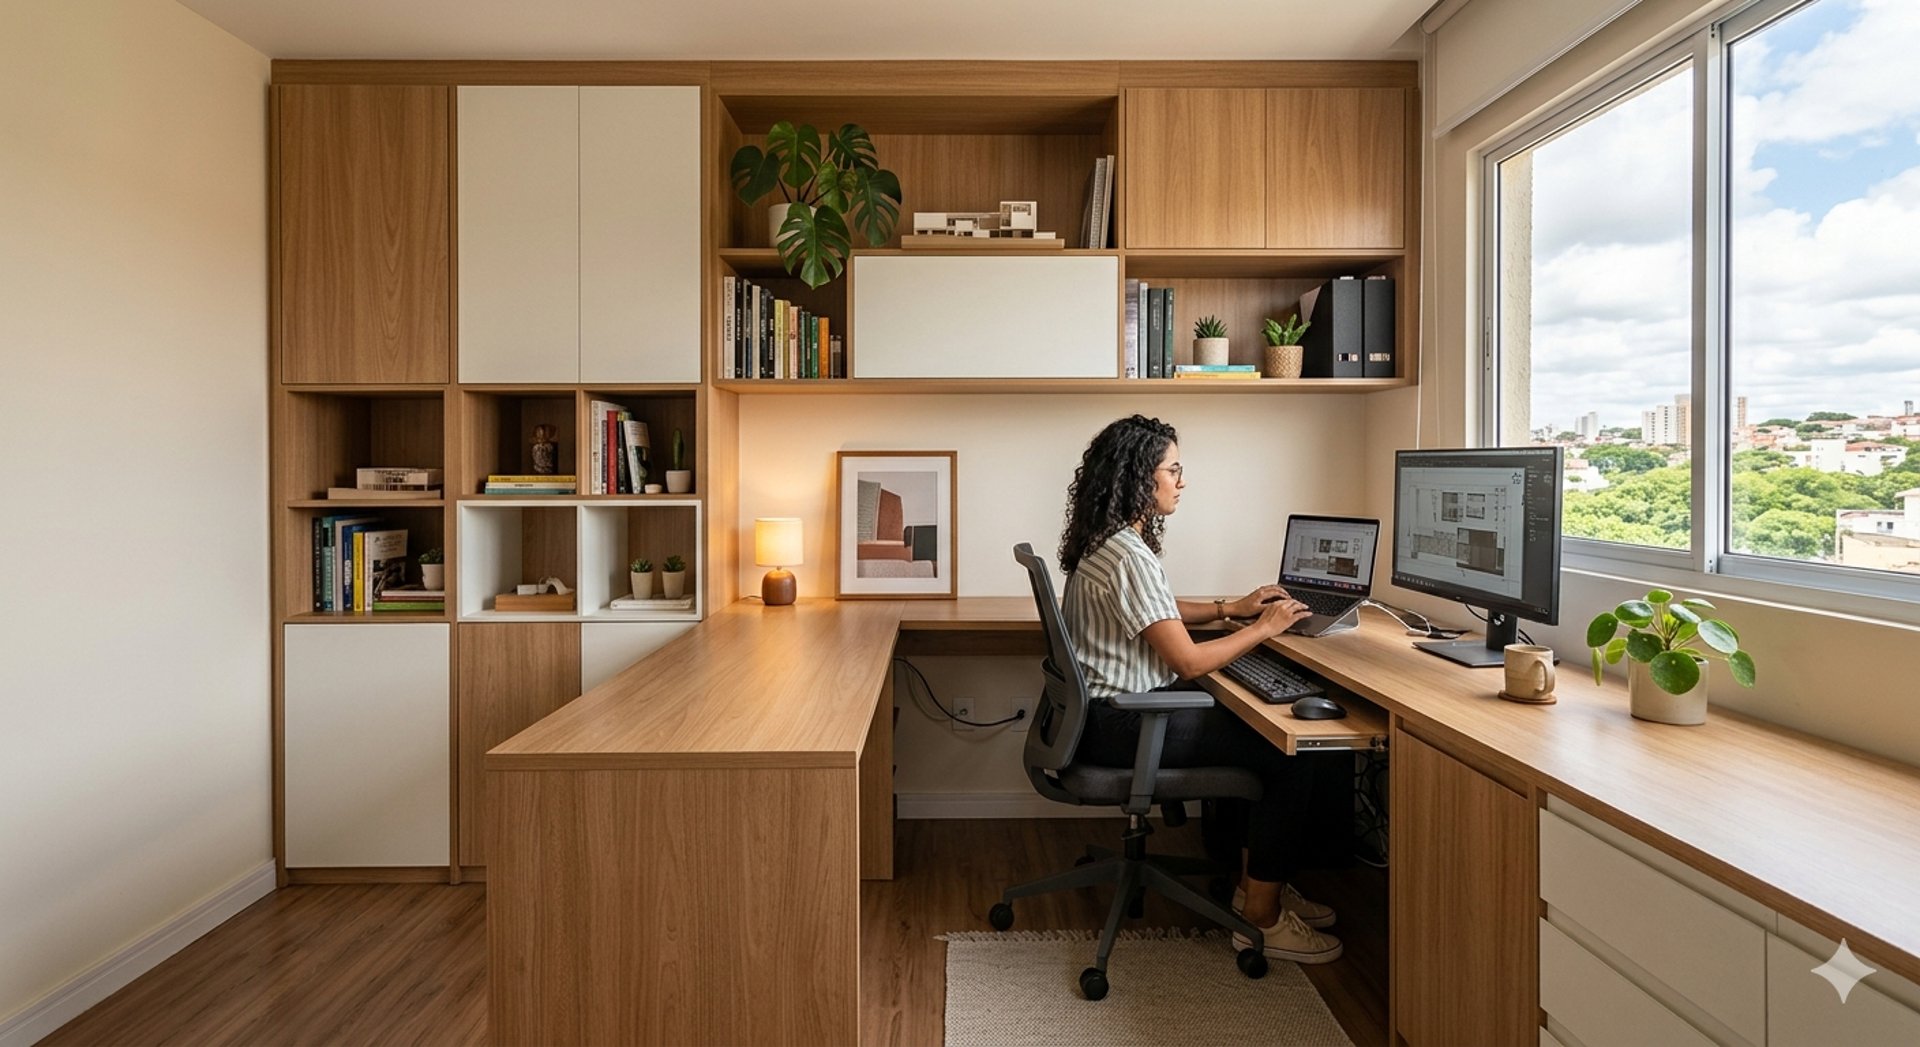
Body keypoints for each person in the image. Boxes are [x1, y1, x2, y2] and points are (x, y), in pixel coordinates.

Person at [1057, 414, 1342, 964]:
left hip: (1103, 715)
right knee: (1290, 752)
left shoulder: (1108, 543)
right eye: (1173, 470)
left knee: (1255, 726)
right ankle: (1261, 915)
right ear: (1140, 477)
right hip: (1124, 722)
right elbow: (1187, 661)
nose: (1181, 481)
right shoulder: (1128, 555)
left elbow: (1156, 609)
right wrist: (1264, 628)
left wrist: (1229, 608)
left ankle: (1255, 886)